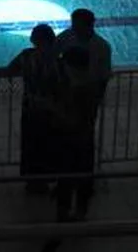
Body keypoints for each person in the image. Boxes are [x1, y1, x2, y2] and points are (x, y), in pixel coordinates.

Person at [0, 23, 61, 194]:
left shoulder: (28, 56)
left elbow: (7, 71)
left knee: (32, 144)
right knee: (49, 143)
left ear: (35, 39)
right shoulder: (58, 60)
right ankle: (49, 178)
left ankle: (34, 181)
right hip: (51, 110)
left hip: (33, 108)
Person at [47, 46, 98, 223]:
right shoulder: (88, 86)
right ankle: (78, 211)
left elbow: (73, 118)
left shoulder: (77, 89)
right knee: (80, 177)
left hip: (71, 140)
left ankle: (65, 212)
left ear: (71, 66)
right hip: (82, 140)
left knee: (68, 177)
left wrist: (52, 108)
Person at [55, 9, 112, 107]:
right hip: (66, 89)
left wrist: (98, 97)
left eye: (77, 25)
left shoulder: (101, 46)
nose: (74, 27)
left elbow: (104, 75)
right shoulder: (67, 36)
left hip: (87, 92)